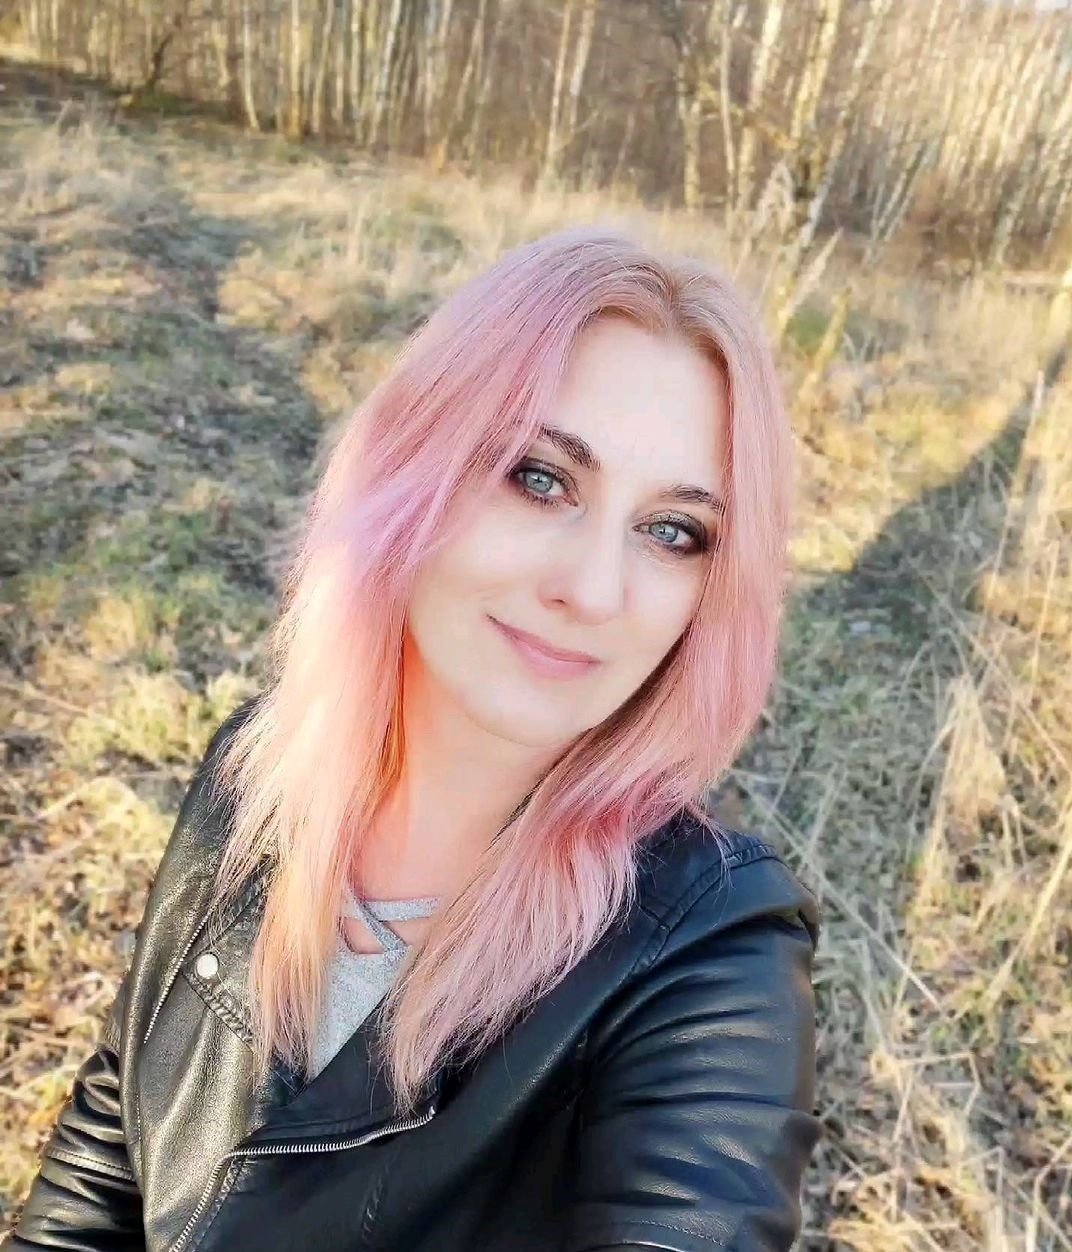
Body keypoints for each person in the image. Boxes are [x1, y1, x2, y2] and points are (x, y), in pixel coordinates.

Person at [4, 224, 822, 1252]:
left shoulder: (709, 952)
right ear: (410, 467)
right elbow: (112, 1140)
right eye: (538, 477)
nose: (592, 589)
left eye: (672, 531)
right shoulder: (261, 770)